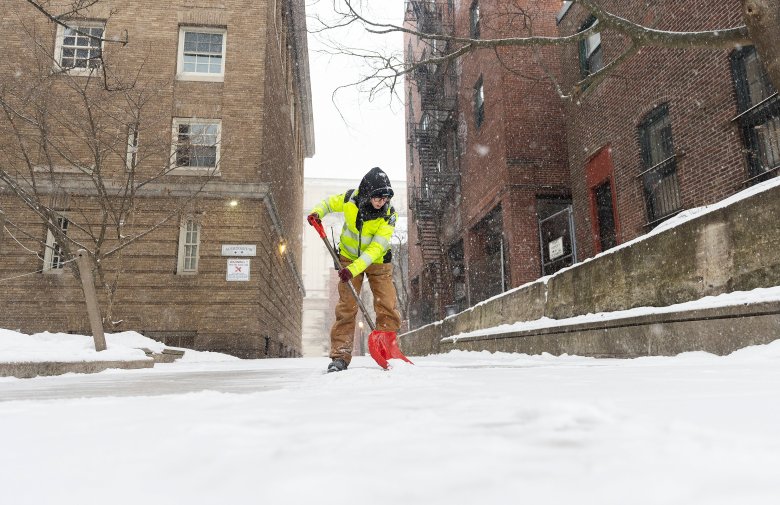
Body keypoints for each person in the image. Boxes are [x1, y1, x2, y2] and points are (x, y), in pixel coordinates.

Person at [307, 167, 402, 373]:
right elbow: (329, 203)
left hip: (377, 261)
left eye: (385, 198)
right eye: (378, 197)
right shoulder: (351, 199)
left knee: (386, 304)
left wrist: (353, 269)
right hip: (349, 257)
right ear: (367, 193)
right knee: (347, 307)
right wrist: (317, 212)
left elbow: (375, 248)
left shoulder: (389, 215)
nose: (381, 202)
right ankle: (340, 356)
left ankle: (387, 352)